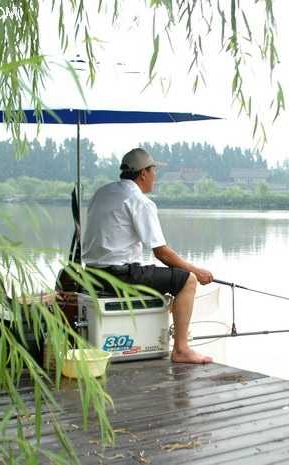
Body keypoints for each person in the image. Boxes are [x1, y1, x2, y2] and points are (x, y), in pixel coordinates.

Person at [82, 148, 213, 364]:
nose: (155, 177)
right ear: (143, 173)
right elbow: (161, 252)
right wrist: (195, 271)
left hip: (92, 274)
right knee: (186, 281)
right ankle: (181, 349)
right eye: (154, 171)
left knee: (158, 273)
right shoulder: (139, 201)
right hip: (119, 278)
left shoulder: (102, 193)